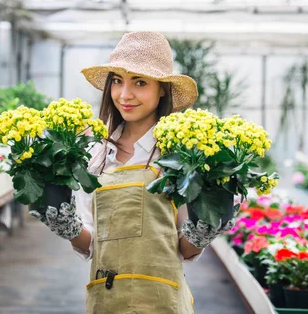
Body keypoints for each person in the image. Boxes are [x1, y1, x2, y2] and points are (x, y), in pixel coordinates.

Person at [29, 31, 234, 313]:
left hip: (162, 302)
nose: (124, 95)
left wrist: (204, 232)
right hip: (107, 300)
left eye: (139, 82)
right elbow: (92, 245)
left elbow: (185, 249)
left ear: (162, 88)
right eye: (117, 81)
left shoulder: (181, 155)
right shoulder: (95, 153)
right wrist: (68, 227)